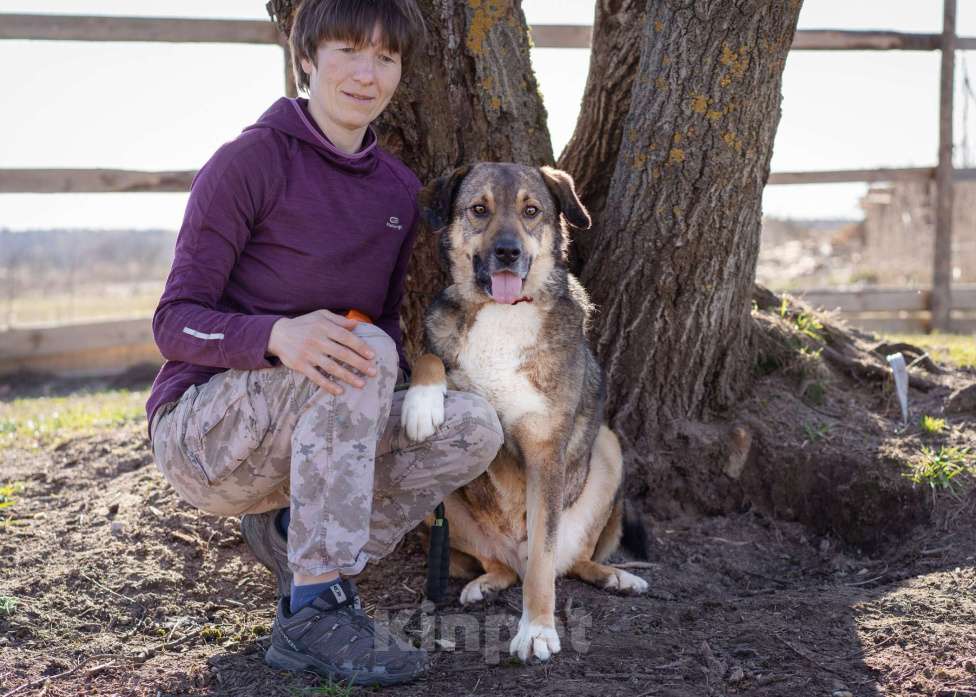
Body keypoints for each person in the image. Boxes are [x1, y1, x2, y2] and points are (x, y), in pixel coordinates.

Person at [145, 0, 503, 685]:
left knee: (470, 426)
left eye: (386, 58)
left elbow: (387, 334)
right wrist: (278, 335)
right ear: (305, 57)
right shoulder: (248, 162)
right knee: (360, 349)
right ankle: (315, 611)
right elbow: (174, 320)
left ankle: (294, 540)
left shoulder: (397, 190)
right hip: (202, 434)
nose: (367, 74)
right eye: (347, 51)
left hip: (314, 424)